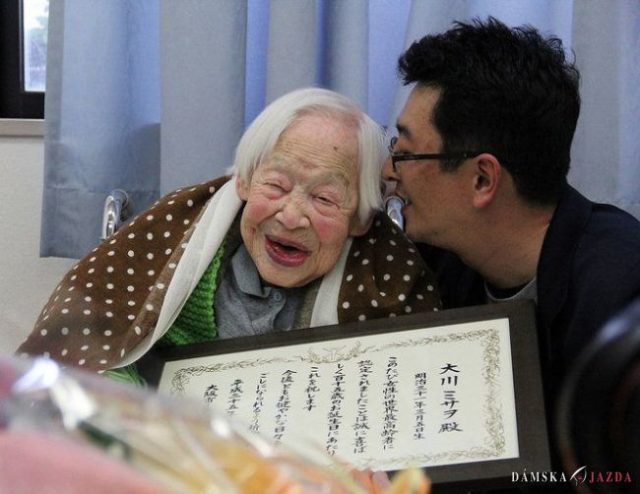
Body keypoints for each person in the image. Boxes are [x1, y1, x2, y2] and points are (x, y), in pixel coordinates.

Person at [18, 87, 440, 378]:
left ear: (360, 220)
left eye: (325, 199)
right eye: (274, 186)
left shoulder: (388, 284)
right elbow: (92, 352)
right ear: (242, 181)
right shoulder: (169, 241)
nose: (291, 217)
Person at [383, 17, 640, 422]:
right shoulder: (440, 260)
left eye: (407, 153)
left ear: (482, 179)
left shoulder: (620, 300)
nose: (388, 170)